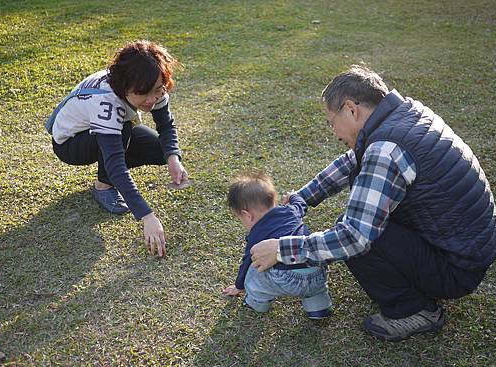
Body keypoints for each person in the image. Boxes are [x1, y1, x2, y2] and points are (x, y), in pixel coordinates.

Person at [250, 66, 496, 341]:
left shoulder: (386, 148)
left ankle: (415, 310)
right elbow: (354, 161)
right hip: (464, 248)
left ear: (351, 109)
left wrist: (282, 250)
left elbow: (353, 237)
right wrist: (303, 197)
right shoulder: (405, 115)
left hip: (456, 268)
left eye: (332, 122)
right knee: (367, 223)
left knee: (360, 238)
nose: (334, 133)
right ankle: (411, 282)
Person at [46, 40, 189, 257]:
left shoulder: (152, 82)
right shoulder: (106, 100)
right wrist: (147, 216)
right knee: (120, 132)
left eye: (158, 90)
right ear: (125, 87)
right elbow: (115, 165)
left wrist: (173, 158)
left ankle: (116, 165)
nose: (152, 99)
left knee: (161, 150)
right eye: (143, 93)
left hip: (106, 131)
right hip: (71, 143)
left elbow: (166, 125)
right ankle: (103, 187)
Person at [222, 172, 332, 319]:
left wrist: (239, 285)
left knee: (254, 271)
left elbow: (248, 260)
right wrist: (293, 196)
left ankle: (256, 303)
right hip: (316, 271)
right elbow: (301, 204)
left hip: (287, 279)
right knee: (314, 288)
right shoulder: (291, 211)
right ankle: (319, 308)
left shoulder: (257, 231)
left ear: (247, 215)